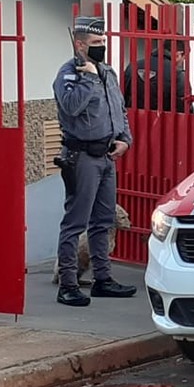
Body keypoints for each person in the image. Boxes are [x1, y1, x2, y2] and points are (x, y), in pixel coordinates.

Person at [52, 16, 137, 307]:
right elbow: (71, 107)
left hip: (107, 156)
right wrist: (87, 77)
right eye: (95, 42)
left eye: (103, 41)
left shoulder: (108, 72)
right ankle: (68, 284)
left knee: (103, 220)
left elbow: (119, 110)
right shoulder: (69, 74)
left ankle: (103, 278)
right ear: (79, 45)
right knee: (75, 222)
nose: (101, 46)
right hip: (81, 157)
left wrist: (125, 139)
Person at [124, 38, 188, 112]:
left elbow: (122, 95)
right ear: (178, 55)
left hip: (133, 117)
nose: (181, 62)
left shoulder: (133, 66)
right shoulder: (177, 73)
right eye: (183, 58)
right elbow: (183, 105)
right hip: (164, 118)